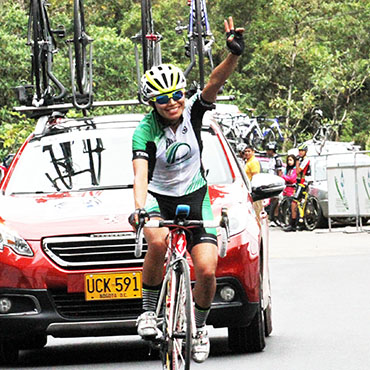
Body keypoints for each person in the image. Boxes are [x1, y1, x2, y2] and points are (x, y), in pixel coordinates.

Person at [130, 17, 244, 363]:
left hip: (196, 197)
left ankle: (201, 328)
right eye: (162, 98)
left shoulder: (194, 111)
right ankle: (149, 311)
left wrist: (234, 55)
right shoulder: (144, 131)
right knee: (159, 240)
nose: (172, 102)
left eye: (176, 95)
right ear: (152, 102)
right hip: (158, 198)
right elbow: (140, 174)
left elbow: (215, 80)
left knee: (207, 270)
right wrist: (139, 209)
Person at [284, 144, 311, 232]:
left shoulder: (305, 160)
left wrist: (297, 162)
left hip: (303, 183)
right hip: (299, 182)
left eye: (302, 151)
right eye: (299, 151)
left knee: (294, 202)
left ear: (305, 152)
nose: (300, 152)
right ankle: (299, 221)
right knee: (298, 203)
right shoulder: (301, 159)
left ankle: (293, 224)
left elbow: (298, 170)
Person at [265, 141, 283, 223]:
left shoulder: (277, 159)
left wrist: (279, 182)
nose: (267, 152)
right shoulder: (271, 159)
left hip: (276, 182)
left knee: (276, 200)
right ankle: (272, 217)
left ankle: (275, 218)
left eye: (268, 150)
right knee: (272, 200)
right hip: (271, 182)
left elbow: (279, 172)